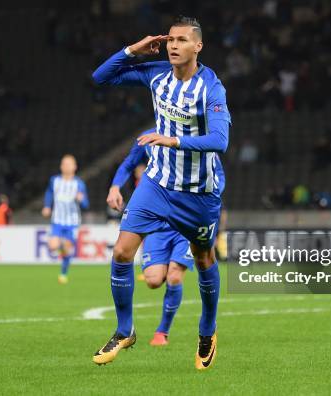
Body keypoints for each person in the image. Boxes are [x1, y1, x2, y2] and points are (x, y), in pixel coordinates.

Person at [91, 16, 231, 370]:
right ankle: (125, 330)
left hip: (198, 193)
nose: (173, 45)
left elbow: (220, 140)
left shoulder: (210, 87)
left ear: (197, 46)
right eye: (170, 39)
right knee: (122, 253)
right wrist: (131, 50)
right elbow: (100, 77)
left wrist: (172, 140)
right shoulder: (156, 74)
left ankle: (207, 330)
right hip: (157, 183)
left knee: (203, 260)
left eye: (182, 40)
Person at [107, 127, 226, 347]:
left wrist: (206, 203)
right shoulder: (150, 136)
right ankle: (129, 328)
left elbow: (219, 175)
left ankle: (162, 331)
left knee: (174, 276)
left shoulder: (198, 140)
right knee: (153, 280)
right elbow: (129, 163)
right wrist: (115, 186)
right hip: (159, 224)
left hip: (186, 222)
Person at [42, 155, 89, 284]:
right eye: (64, 164)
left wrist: (81, 200)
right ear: (61, 166)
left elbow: (86, 204)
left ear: (75, 167)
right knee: (53, 246)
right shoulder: (54, 180)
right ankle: (62, 246)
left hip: (72, 222)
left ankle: (63, 273)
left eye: (69, 164)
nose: (66, 166)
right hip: (57, 220)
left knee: (67, 249)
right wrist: (47, 206)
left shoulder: (79, 183)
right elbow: (49, 193)